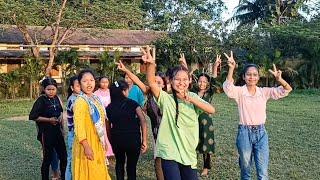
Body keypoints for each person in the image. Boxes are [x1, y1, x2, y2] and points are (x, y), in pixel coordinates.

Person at [142, 46, 216, 180]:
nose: (181, 83)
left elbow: (211, 109)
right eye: (177, 79)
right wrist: (151, 64)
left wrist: (191, 99)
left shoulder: (193, 97)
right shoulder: (166, 99)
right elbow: (152, 84)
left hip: (188, 152)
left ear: (189, 81)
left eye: (185, 80)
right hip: (169, 152)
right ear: (170, 81)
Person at [222, 51, 292, 180]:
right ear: (243, 77)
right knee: (245, 170)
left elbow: (287, 90)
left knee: (263, 172)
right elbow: (228, 88)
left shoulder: (263, 92)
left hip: (261, 133)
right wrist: (231, 69)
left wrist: (280, 79)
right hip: (244, 133)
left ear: (258, 77)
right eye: (248, 74)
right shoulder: (240, 92)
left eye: (255, 75)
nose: (252, 77)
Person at [117, 60, 165, 180]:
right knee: (159, 164)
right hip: (157, 136)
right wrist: (126, 70)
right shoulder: (149, 94)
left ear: (164, 85)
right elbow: (137, 81)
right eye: (154, 82)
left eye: (159, 82)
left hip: (172, 135)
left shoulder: (169, 98)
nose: (156, 84)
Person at [72, 69, 111, 180]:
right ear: (79, 84)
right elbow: (79, 126)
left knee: (99, 172)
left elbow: (102, 122)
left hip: (97, 141)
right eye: (85, 81)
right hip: (86, 143)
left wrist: (105, 141)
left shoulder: (95, 98)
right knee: (89, 173)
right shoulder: (80, 102)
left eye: (91, 80)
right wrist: (86, 146)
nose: (89, 83)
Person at [106, 80, 148, 180]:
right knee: (131, 167)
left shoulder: (109, 108)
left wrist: (111, 140)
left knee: (119, 164)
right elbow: (143, 121)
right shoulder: (133, 104)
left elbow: (107, 127)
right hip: (133, 140)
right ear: (124, 91)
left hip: (117, 139)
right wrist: (144, 140)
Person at [29, 78, 67, 180]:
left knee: (63, 156)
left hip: (57, 132)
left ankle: (63, 177)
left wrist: (62, 129)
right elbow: (33, 116)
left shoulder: (57, 99)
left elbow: (60, 113)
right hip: (46, 133)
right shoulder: (41, 100)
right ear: (44, 89)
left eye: (53, 89)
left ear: (56, 89)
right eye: (48, 89)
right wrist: (49, 120)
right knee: (47, 158)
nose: (51, 91)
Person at [65, 75, 81, 180]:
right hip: (74, 134)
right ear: (72, 88)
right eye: (78, 85)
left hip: (79, 133)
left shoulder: (81, 98)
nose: (81, 87)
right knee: (72, 160)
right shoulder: (73, 100)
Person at [94, 76, 114, 158]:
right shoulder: (95, 93)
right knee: (103, 133)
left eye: (106, 82)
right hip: (101, 117)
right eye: (103, 82)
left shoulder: (111, 92)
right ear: (99, 83)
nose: (104, 84)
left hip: (111, 116)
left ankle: (113, 150)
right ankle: (105, 151)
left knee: (111, 133)